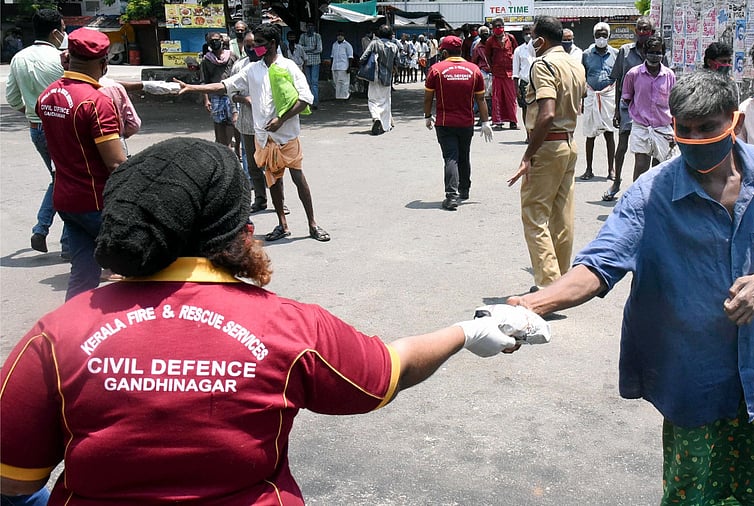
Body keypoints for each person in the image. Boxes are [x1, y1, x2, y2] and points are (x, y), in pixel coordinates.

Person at [0, 137, 529, 506]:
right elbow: (387, 373)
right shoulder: (290, 328)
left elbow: (14, 481)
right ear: (241, 231)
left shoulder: (56, 333)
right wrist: (466, 331)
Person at [509, 70, 754, 505]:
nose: (693, 139)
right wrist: (533, 304)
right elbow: (599, 266)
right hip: (694, 377)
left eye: (707, 128)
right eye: (683, 129)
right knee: (692, 491)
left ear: (733, 121)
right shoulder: (648, 195)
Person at [176, 24, 330, 244]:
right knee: (274, 181)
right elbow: (225, 85)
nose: (254, 47)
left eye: (259, 43)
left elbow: (306, 98)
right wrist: (193, 89)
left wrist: (281, 120)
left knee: (298, 177)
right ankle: (282, 224)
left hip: (287, 136)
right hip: (264, 137)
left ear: (272, 44)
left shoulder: (289, 67)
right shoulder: (251, 69)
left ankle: (312, 224)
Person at [37, 28, 127, 300]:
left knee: (83, 273)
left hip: (66, 200)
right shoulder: (96, 102)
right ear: (103, 63)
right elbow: (115, 163)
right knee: (143, 267)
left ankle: (70, 334)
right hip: (97, 202)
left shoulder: (48, 95)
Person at [507, 16, 586, 292]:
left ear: (540, 39)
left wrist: (528, 155)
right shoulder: (574, 64)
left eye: (532, 36)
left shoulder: (543, 64)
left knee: (535, 214)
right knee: (562, 215)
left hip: (548, 145)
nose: (531, 42)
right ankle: (560, 280)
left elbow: (547, 113)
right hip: (568, 143)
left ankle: (548, 285)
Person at [5, 9, 68, 256]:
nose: (64, 34)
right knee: (70, 180)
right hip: (62, 128)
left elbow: (12, 98)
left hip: (36, 129)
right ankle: (67, 243)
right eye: (63, 29)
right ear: (55, 33)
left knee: (60, 178)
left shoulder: (19, 58)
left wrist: (34, 114)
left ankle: (42, 229)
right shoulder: (61, 59)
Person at [423, 35, 493, 211]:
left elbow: (428, 97)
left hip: (445, 122)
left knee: (451, 158)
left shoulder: (436, 70)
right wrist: (485, 122)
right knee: (464, 155)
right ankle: (464, 189)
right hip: (466, 122)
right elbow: (481, 99)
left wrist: (427, 116)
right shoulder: (474, 70)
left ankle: (451, 196)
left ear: (445, 52)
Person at [605, 16, 664, 202]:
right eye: (639, 29)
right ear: (635, 31)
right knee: (622, 146)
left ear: (652, 32)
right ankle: (616, 182)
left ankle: (650, 191)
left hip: (652, 111)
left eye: (646, 30)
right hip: (628, 107)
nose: (642, 33)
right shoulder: (624, 51)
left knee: (653, 152)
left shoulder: (658, 51)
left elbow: (665, 77)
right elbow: (619, 82)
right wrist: (616, 110)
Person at [620, 35, 677, 184]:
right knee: (641, 166)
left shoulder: (669, 75)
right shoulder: (633, 74)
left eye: (658, 52)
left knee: (659, 168)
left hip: (662, 127)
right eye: (651, 52)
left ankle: (653, 201)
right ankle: (635, 199)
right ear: (645, 53)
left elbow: (673, 102)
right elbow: (626, 97)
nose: (655, 56)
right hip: (641, 127)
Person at [230, 31, 270, 213]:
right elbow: (230, 93)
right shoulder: (239, 67)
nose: (251, 48)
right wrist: (243, 100)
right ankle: (260, 199)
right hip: (247, 123)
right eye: (247, 45)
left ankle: (279, 201)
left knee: (272, 165)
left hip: (269, 124)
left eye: (254, 44)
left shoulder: (270, 65)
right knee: (253, 165)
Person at [579, 22, 618, 181]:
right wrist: (582, 99)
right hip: (591, 97)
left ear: (608, 36)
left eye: (604, 35)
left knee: (609, 134)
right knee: (590, 135)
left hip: (609, 97)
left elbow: (618, 77)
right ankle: (589, 169)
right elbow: (582, 76)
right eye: (598, 35)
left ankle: (611, 170)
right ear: (593, 36)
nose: (601, 38)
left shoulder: (616, 53)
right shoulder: (586, 54)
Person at [201, 31, 238, 149]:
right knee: (218, 123)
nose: (215, 42)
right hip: (216, 96)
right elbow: (204, 81)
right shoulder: (206, 60)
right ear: (208, 44)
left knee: (232, 123)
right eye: (212, 41)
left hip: (231, 95)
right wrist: (206, 100)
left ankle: (231, 148)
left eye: (217, 40)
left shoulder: (232, 56)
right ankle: (222, 147)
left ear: (222, 40)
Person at [360, 25, 399, 136]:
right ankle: (386, 126)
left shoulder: (374, 43)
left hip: (374, 76)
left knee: (372, 99)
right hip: (387, 77)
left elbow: (363, 58)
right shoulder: (394, 46)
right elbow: (398, 62)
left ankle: (376, 117)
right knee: (385, 100)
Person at [484, 17, 518, 130]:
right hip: (497, 73)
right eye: (495, 26)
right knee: (497, 98)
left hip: (510, 72)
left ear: (503, 27)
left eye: (500, 26)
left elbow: (516, 52)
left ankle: (513, 121)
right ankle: (498, 121)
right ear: (492, 28)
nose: (498, 28)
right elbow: (487, 55)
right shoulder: (490, 41)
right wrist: (491, 67)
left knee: (511, 98)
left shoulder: (511, 38)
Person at [512, 25, 535, 141]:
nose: (528, 36)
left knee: (537, 109)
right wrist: (516, 89)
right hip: (524, 82)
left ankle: (536, 134)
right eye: (526, 33)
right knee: (526, 109)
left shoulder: (538, 48)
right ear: (522, 35)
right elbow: (515, 72)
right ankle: (528, 134)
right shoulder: (519, 50)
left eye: (530, 33)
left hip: (537, 82)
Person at [299, 23, 322, 108]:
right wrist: (312, 48)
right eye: (308, 26)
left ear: (314, 27)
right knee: (307, 82)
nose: (310, 28)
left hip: (315, 61)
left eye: (311, 26)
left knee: (314, 82)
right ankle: (308, 101)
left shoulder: (317, 36)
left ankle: (315, 102)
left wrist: (306, 49)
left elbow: (319, 49)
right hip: (305, 61)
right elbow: (300, 48)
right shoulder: (303, 36)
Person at [326, 31, 353, 100]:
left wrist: (349, 67)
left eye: (341, 35)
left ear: (344, 36)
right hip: (335, 67)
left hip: (344, 67)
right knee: (336, 83)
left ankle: (346, 97)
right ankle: (338, 97)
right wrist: (330, 68)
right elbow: (332, 57)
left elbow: (350, 57)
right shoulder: (334, 45)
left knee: (344, 83)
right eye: (338, 35)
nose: (340, 36)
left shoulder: (347, 45)